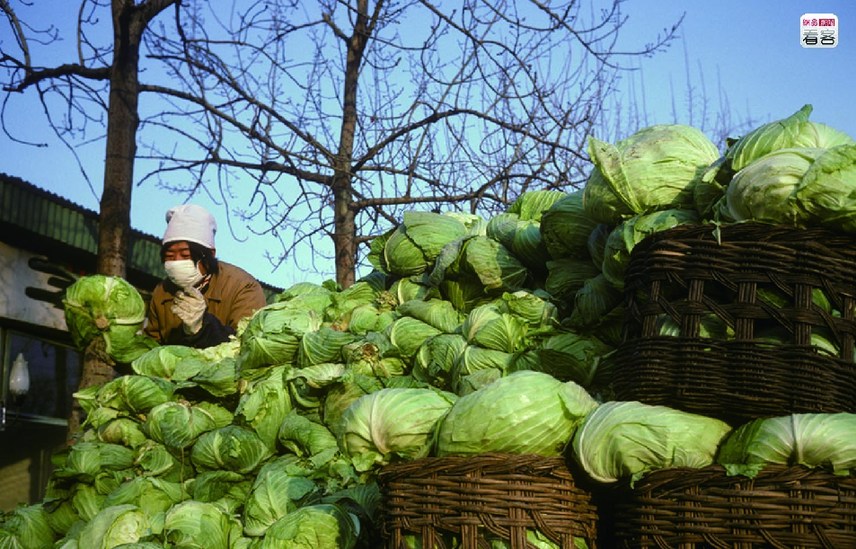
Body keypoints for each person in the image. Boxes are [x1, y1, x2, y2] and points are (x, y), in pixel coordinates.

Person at [144, 204, 267, 348]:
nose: (177, 263)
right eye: (170, 256)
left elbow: (249, 345)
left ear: (210, 254)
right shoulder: (162, 292)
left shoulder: (242, 286)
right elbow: (151, 349)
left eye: (185, 255)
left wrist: (203, 328)